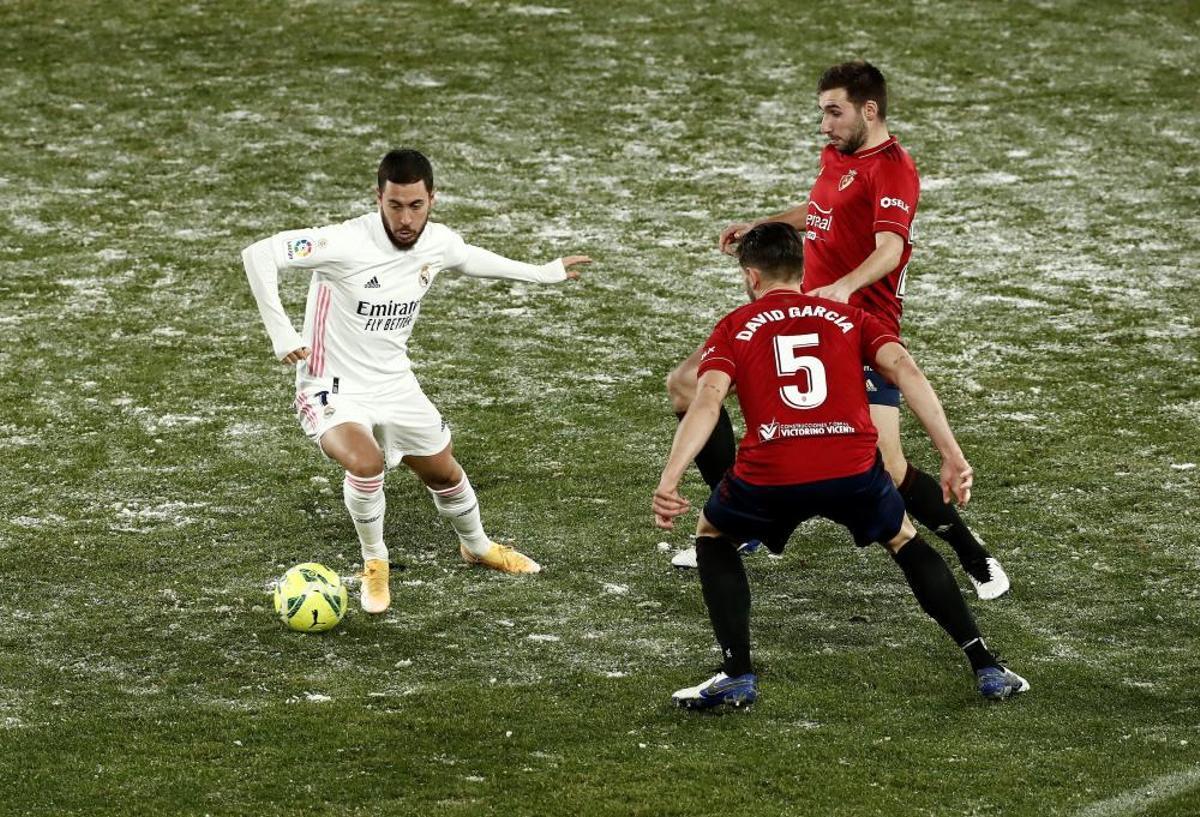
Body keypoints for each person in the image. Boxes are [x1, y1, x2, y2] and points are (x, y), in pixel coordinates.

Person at [668, 61, 1008, 600]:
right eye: (822, 112)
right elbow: (820, 209)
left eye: (834, 112)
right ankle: (745, 520)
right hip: (802, 310)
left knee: (889, 467)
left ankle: (970, 550)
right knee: (687, 383)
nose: (824, 125)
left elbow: (891, 249)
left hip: (859, 323)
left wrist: (844, 288)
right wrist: (765, 224)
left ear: (868, 111)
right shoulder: (839, 154)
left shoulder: (893, 170)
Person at [654, 222, 1028, 709]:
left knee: (713, 534)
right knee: (904, 538)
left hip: (772, 471)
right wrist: (951, 453)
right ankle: (986, 665)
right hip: (851, 468)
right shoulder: (849, 317)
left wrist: (671, 477)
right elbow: (905, 372)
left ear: (751, 276)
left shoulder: (734, 326)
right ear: (802, 270)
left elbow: (705, 401)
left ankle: (737, 673)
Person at [242, 149, 591, 613]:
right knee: (365, 463)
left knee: (443, 471)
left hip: (395, 384)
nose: (405, 219)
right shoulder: (343, 242)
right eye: (394, 206)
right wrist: (282, 333)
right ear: (378, 198)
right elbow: (259, 253)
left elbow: (468, 258)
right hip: (333, 385)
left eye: (416, 206)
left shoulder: (437, 242)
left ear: (432, 199)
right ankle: (375, 565)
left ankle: (478, 546)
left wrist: (543, 273)